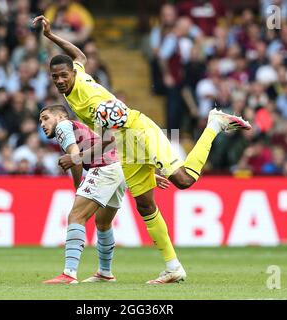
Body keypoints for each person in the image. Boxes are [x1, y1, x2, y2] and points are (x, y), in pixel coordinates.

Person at [33, 16, 252, 284]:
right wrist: (51, 36)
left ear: (74, 74)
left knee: (183, 180)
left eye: (63, 76)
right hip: (126, 145)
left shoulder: (91, 99)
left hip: (138, 131)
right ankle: (173, 267)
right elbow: (78, 54)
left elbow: (108, 139)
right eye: (55, 77)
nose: (59, 81)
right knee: (146, 205)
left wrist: (76, 157)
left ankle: (214, 125)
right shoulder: (74, 81)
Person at [39, 105, 126, 284]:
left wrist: (78, 186)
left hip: (103, 169)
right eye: (40, 120)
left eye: (46, 118)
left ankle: (69, 274)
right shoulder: (79, 128)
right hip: (117, 170)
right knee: (103, 223)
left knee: (76, 216)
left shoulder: (63, 126)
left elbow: (75, 158)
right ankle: (105, 272)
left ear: (61, 116)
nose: (42, 123)